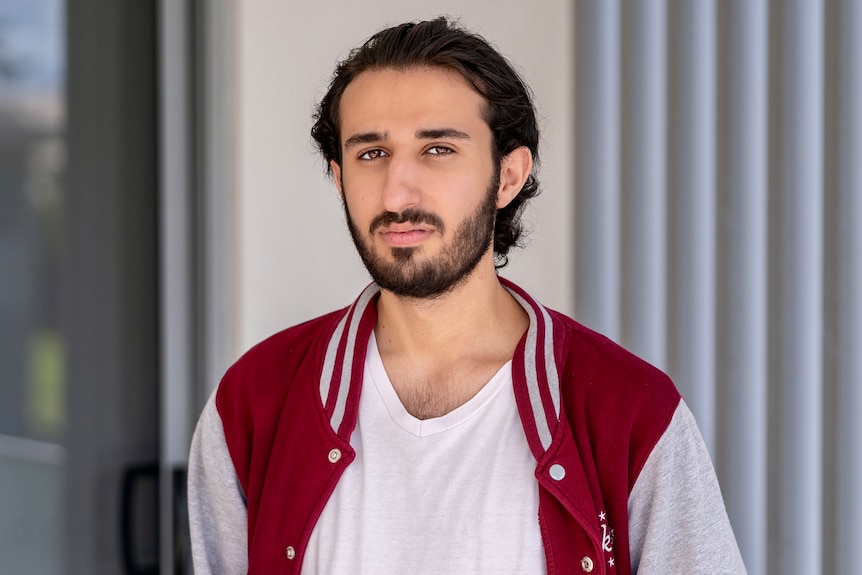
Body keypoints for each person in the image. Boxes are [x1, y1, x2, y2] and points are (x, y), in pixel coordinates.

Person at [188, 17, 746, 575]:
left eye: (437, 149)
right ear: (338, 177)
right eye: (371, 153)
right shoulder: (253, 405)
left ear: (508, 176)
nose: (397, 190)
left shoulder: (631, 414)